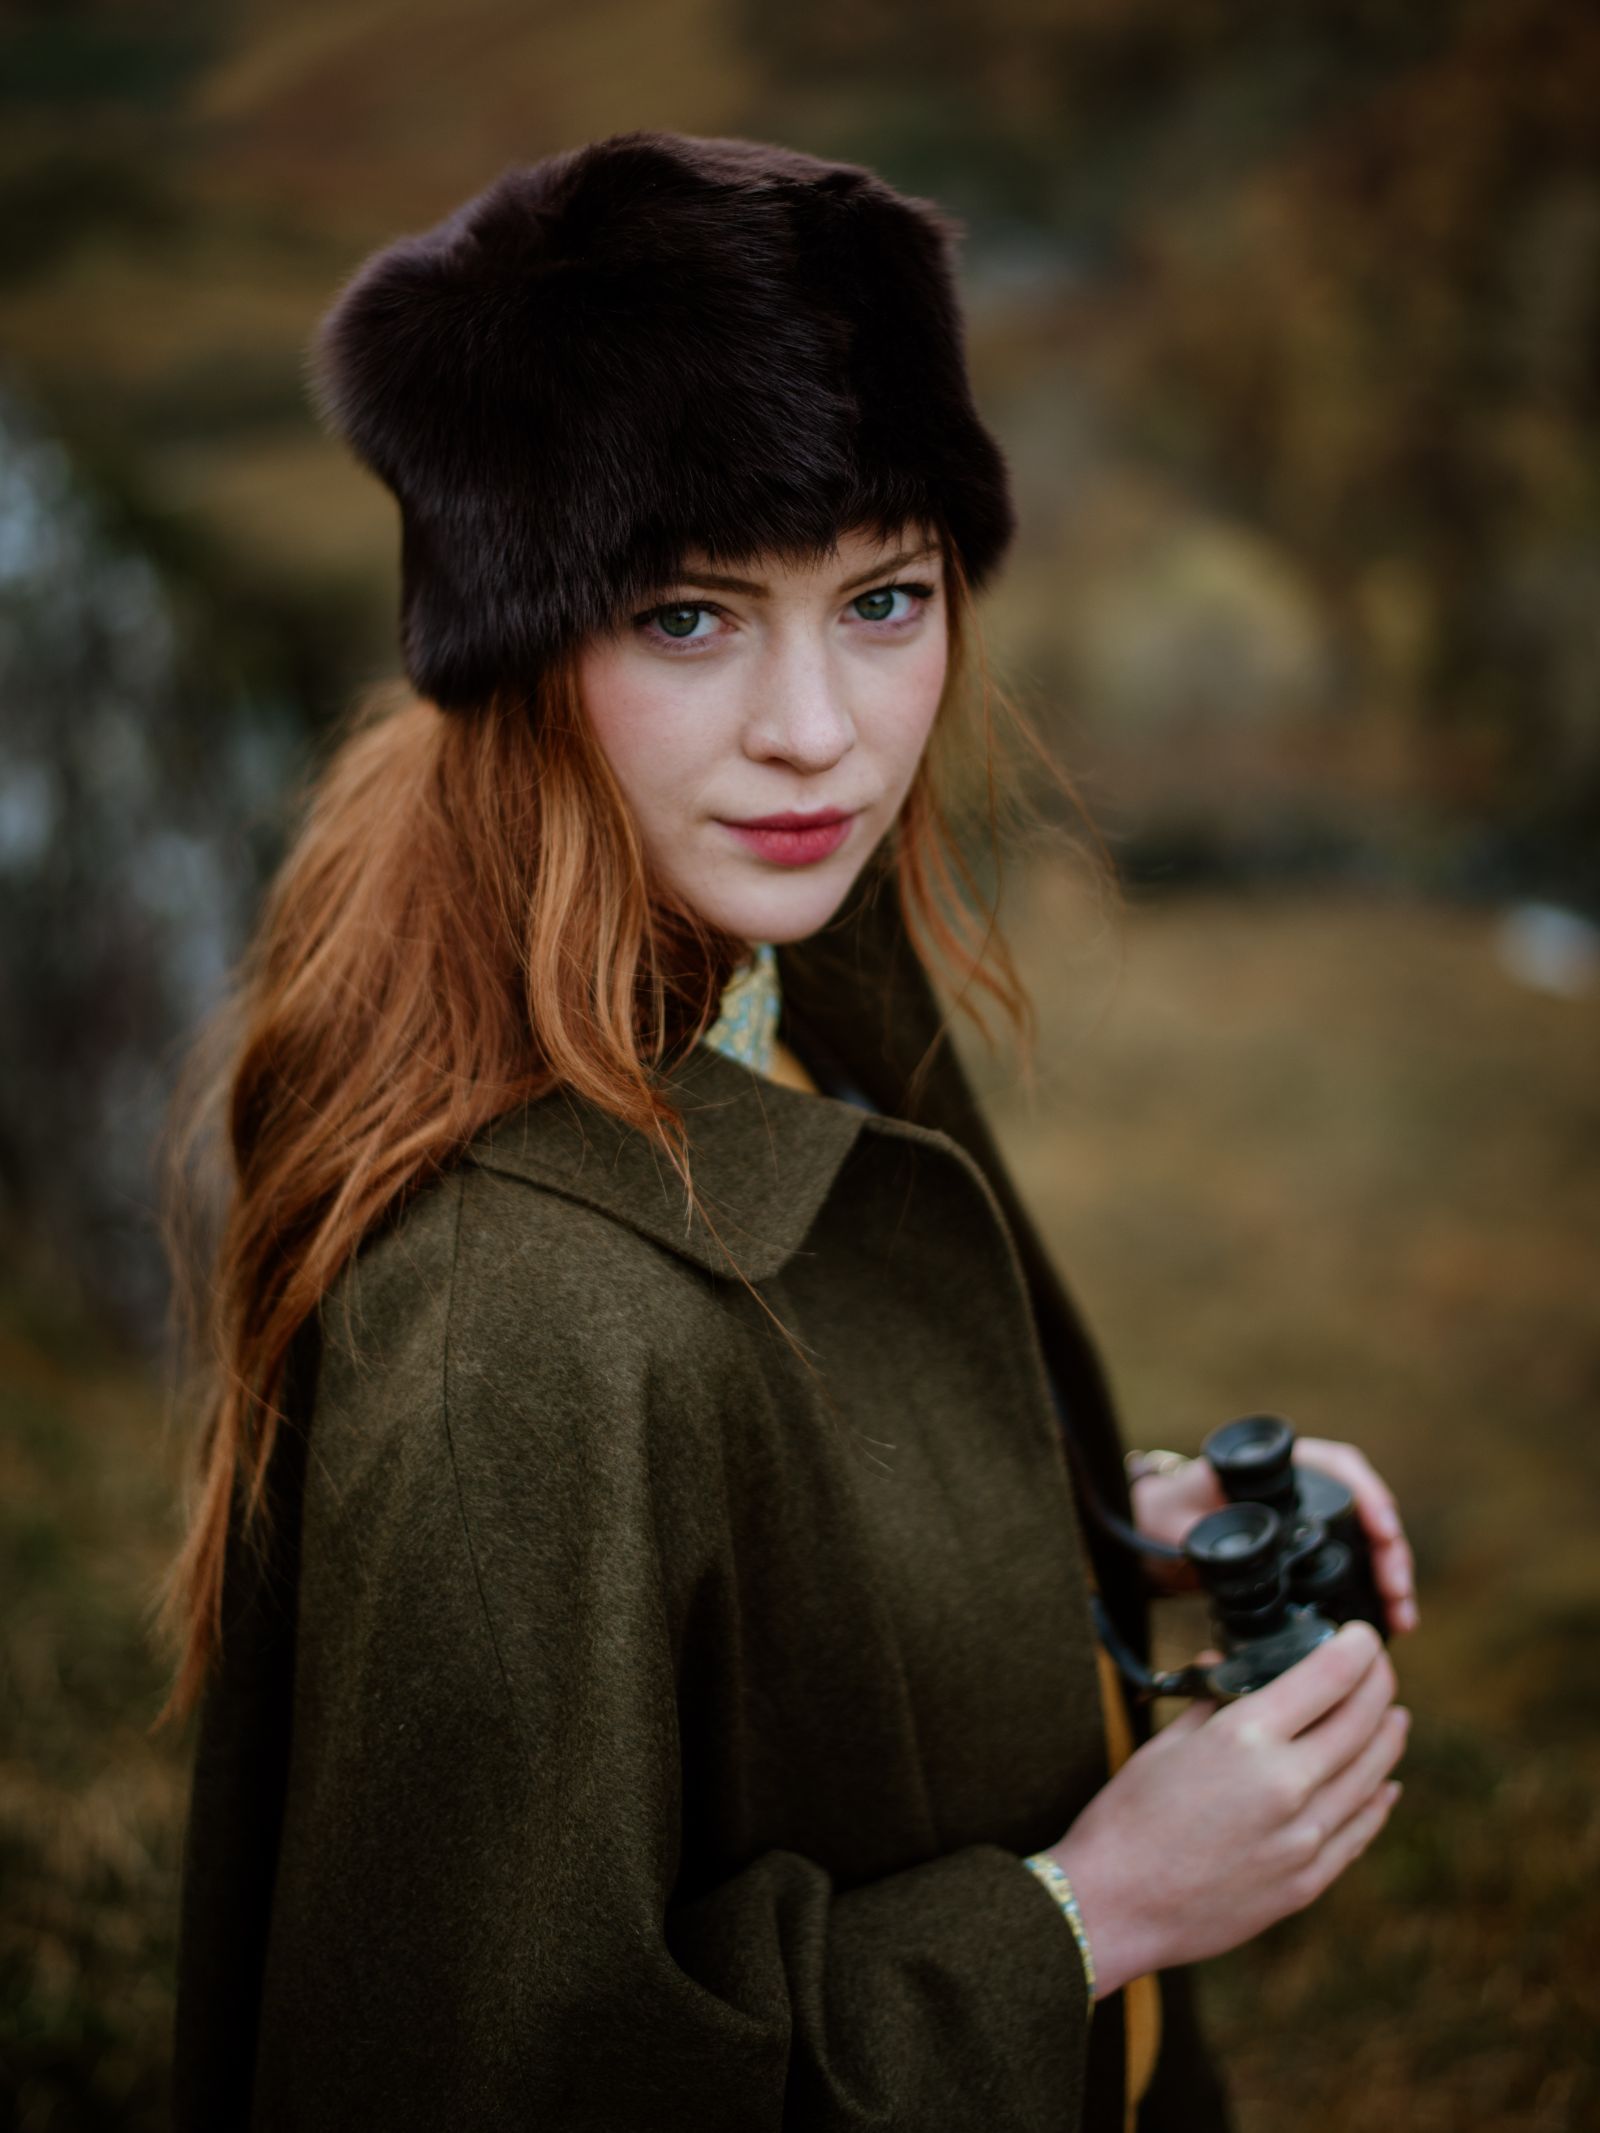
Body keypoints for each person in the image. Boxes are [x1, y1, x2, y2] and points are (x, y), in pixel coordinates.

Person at [157, 130, 1418, 2132]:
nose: (818, 731)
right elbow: (487, 2076)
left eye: (884, 597)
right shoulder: (504, 1322)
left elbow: (772, 1597)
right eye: (689, 617)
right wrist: (1083, 1914)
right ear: (514, 642)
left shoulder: (780, 965)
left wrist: (1105, 1530)